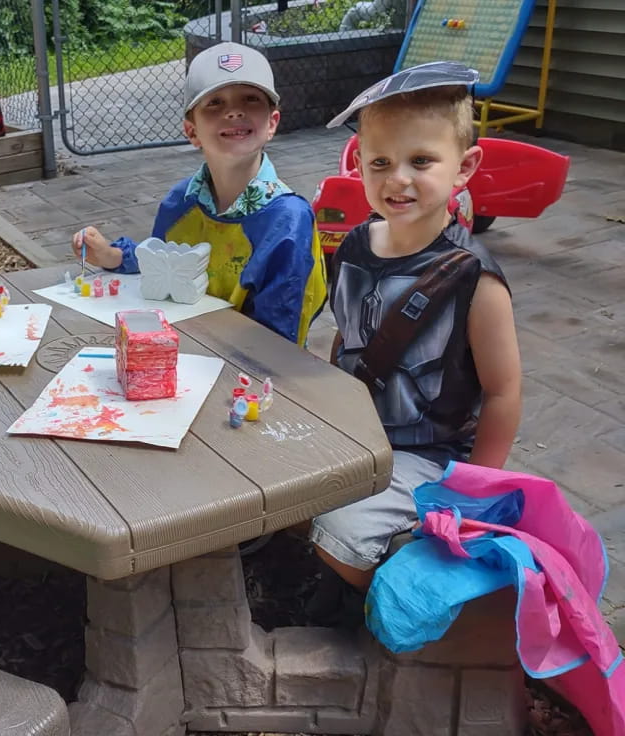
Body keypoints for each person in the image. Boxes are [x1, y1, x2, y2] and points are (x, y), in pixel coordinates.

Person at [307, 63, 522, 623]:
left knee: (337, 531)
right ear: (358, 163)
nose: (397, 179)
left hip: (434, 457)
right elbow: (347, 339)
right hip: (362, 434)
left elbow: (503, 391)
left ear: (463, 167)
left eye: (421, 161)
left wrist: (476, 493)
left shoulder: (476, 279)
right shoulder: (352, 246)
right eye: (380, 162)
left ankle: (406, 608)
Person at [71, 41, 327, 347]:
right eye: (215, 103)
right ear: (192, 132)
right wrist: (112, 256)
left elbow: (277, 338)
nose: (234, 111)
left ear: (272, 123)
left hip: (250, 373)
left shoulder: (288, 221)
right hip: (181, 353)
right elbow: (164, 268)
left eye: (250, 99)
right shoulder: (180, 202)